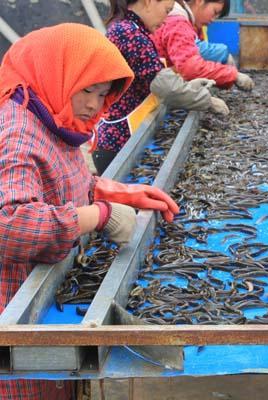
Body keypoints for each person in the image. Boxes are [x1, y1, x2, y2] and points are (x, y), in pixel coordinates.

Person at [0, 23, 179, 400]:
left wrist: (117, 192)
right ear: (57, 71)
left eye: (102, 94)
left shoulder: (49, 114)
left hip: (44, 295)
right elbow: (10, 224)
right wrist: (97, 215)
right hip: (14, 314)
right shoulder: (17, 132)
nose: (95, 105)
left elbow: (58, 179)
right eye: (87, 90)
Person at [94, 0, 226, 175]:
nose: (165, 20)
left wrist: (187, 85)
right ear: (148, 2)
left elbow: (151, 78)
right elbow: (165, 87)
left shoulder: (130, 29)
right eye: (167, 10)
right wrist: (206, 100)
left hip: (123, 139)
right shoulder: (130, 34)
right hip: (119, 145)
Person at [152, 0, 254, 92]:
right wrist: (232, 75)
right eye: (215, 12)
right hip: (155, 93)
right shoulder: (177, 23)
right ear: (199, 1)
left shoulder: (188, 22)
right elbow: (190, 67)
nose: (213, 20)